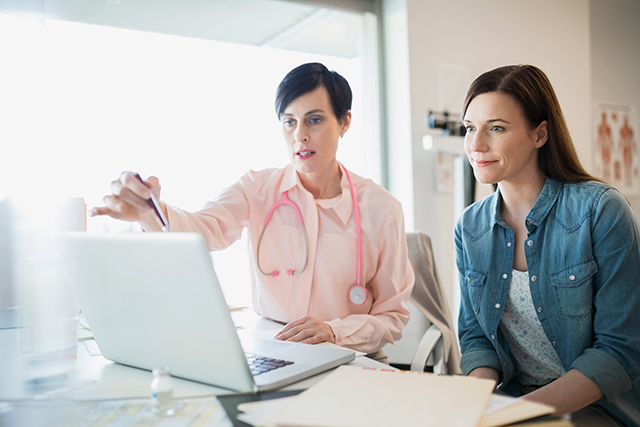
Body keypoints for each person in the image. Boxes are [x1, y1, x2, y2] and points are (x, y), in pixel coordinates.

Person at [89, 62, 414, 360]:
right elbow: (205, 230)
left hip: (351, 358)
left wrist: (334, 332)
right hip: (276, 349)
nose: (299, 135)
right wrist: (151, 213)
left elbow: (392, 317)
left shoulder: (382, 210)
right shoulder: (257, 189)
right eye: (289, 122)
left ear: (344, 122)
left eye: (314, 120)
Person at [455, 64, 640, 426]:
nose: (476, 145)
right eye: (470, 128)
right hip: (513, 401)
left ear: (540, 134)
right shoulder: (470, 227)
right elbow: (476, 338)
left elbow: (620, 350)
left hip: (600, 407)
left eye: (496, 128)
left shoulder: (600, 210)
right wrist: (473, 406)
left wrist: (514, 413)